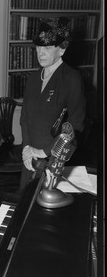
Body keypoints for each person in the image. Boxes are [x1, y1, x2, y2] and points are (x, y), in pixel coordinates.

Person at [20, 17, 86, 189]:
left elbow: (75, 125)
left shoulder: (71, 79)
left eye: (47, 48)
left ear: (62, 50)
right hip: (30, 158)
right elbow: (24, 117)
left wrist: (43, 152)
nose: (40, 53)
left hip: (54, 159)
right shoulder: (33, 78)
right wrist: (26, 149)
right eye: (38, 47)